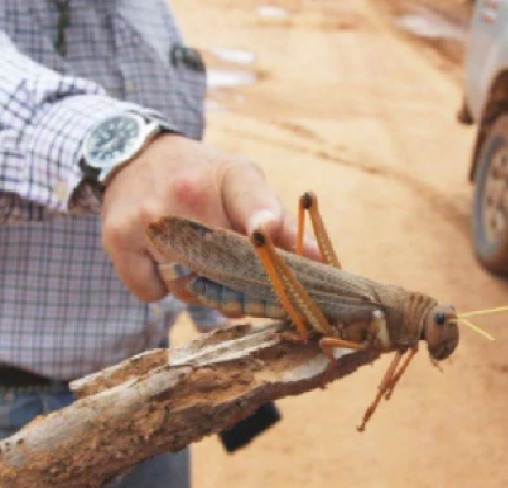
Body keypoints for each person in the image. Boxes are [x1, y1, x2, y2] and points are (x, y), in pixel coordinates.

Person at [0, 1, 318, 486]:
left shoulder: (150, 10)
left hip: (158, 389)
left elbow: (177, 204)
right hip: (21, 410)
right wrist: (118, 149)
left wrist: (218, 329)